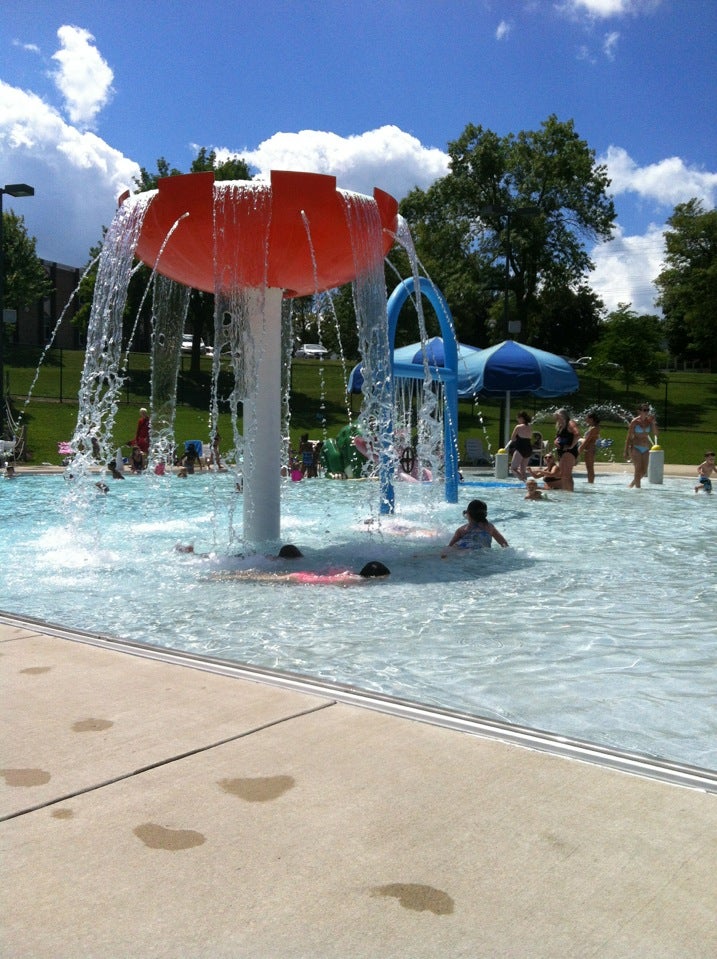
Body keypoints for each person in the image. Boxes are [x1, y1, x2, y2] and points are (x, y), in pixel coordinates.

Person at [624, 403, 658, 489]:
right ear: (639, 411)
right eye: (644, 410)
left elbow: (656, 434)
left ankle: (631, 485)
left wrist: (653, 423)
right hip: (636, 447)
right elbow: (629, 436)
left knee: (643, 471)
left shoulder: (649, 421)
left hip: (645, 448)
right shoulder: (635, 422)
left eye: (647, 410)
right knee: (638, 469)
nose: (646, 412)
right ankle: (638, 489)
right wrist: (625, 451)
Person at [553, 408, 581, 491]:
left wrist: (571, 446)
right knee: (563, 474)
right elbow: (559, 437)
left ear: (563, 416)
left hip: (569, 451)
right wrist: (555, 442)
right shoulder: (561, 425)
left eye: (558, 417)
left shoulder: (570, 423)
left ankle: (569, 492)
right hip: (562, 451)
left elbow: (577, 434)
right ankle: (567, 491)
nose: (557, 419)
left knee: (566, 475)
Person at [508, 410, 534, 481]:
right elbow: (530, 437)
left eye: (518, 418)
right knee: (523, 470)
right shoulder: (530, 426)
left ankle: (524, 481)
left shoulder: (518, 427)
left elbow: (512, 438)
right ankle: (526, 485)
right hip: (528, 448)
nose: (517, 420)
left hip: (520, 448)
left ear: (522, 418)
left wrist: (516, 438)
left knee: (513, 468)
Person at [579, 410, 601, 484]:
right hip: (588, 448)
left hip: (590, 449)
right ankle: (590, 482)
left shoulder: (594, 428)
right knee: (588, 467)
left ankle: (591, 483)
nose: (585, 420)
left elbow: (588, 440)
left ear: (591, 419)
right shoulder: (592, 427)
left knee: (590, 468)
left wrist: (581, 448)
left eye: (587, 418)